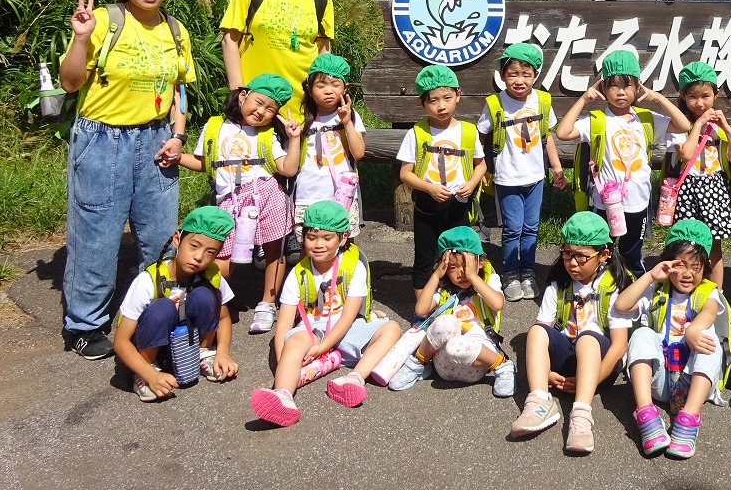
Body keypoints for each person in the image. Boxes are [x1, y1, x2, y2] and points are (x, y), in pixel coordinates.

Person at [59, 0, 196, 360]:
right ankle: (85, 324)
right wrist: (81, 39)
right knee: (96, 237)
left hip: (156, 140)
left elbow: (179, 88)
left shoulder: (175, 29)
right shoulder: (103, 21)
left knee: (159, 235)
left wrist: (179, 134)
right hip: (103, 141)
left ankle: (153, 316)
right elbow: (70, 82)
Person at [250, 201, 401, 427]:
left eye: (327, 238)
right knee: (290, 342)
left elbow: (350, 315)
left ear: (343, 238)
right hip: (313, 328)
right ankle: (283, 394)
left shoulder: (353, 267)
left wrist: (322, 348)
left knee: (392, 329)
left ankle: (354, 378)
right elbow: (283, 323)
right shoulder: (297, 273)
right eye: (311, 237)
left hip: (347, 328)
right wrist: (286, 361)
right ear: (303, 238)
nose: (318, 244)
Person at [178, 74, 301, 335]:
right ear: (244, 95)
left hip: (266, 193)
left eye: (270, 109)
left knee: (273, 250)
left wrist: (294, 138)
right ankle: (213, 300)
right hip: (228, 200)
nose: (262, 112)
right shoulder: (214, 126)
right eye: (259, 102)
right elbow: (203, 162)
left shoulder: (268, 135)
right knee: (222, 255)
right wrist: (177, 157)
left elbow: (288, 169)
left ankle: (267, 304)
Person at [556, 50, 690, 276]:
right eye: (613, 86)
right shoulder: (597, 120)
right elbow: (563, 132)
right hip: (604, 201)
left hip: (637, 200)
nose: (621, 92)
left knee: (631, 252)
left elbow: (684, 125)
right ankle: (599, 293)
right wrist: (583, 99)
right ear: (603, 89)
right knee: (600, 248)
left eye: (627, 85)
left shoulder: (646, 118)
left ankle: (633, 292)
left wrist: (658, 98)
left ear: (638, 87)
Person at [510, 212, 632, 455]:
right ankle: (539, 401)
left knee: (587, 338)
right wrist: (547, 374)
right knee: (535, 331)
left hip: (599, 365)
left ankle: (581, 416)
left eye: (581, 256)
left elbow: (619, 346)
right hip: (564, 362)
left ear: (603, 255)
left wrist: (593, 379)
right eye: (567, 254)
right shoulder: (558, 284)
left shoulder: (614, 286)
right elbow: (543, 334)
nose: (572, 263)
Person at [613, 220, 731, 459]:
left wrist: (692, 331)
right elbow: (621, 305)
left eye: (696, 267)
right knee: (641, 334)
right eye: (681, 265)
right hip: (660, 381)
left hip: (692, 382)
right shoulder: (658, 287)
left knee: (707, 337)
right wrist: (649, 276)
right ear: (668, 263)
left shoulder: (709, 292)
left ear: (705, 267)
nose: (688, 274)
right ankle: (646, 413)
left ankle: (689, 418)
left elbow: (709, 313)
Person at [113, 206, 238, 402]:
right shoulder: (148, 280)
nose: (199, 257)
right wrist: (150, 374)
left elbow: (223, 317)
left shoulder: (212, 275)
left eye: (210, 252)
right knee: (163, 308)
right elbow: (121, 341)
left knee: (206, 296)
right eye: (194, 246)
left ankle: (203, 353)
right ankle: (147, 370)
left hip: (188, 342)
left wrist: (223, 352)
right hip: (149, 349)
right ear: (177, 239)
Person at [477, 43, 564, 302]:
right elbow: (481, 135)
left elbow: (547, 137)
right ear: (502, 76)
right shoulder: (495, 104)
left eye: (526, 75)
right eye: (513, 74)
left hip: (536, 176)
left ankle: (528, 272)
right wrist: (480, 167)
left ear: (535, 76)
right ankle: (510, 274)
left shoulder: (543, 101)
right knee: (513, 228)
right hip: (507, 176)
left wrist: (557, 167)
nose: (519, 80)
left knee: (531, 228)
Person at [220, 0, 335, 114]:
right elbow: (229, 40)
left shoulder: (321, 0)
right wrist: (237, 92)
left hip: (301, 107)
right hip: (255, 104)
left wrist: (321, 101)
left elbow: (323, 55)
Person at [389, 226, 513, 397]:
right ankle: (418, 363)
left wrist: (473, 276)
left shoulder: (488, 279)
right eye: (453, 268)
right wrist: (435, 276)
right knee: (445, 323)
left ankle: (503, 366)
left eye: (466, 266)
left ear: (481, 261)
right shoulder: (446, 289)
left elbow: (498, 303)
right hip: (444, 367)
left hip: (477, 362)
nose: (461, 273)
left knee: (456, 345)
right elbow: (421, 309)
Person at [396, 65, 487, 296]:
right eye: (433, 100)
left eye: (447, 98)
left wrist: (473, 182)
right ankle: (422, 311)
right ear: (421, 103)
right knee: (425, 257)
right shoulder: (416, 133)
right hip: (427, 205)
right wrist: (429, 188)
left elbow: (481, 164)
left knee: (460, 254)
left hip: (459, 203)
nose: (441, 106)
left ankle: (459, 302)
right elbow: (405, 173)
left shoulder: (468, 131)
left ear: (458, 95)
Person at [664, 62, 731, 287]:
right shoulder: (678, 125)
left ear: (716, 94)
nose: (699, 103)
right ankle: (684, 290)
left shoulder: (719, 126)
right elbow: (687, 154)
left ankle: (715, 292)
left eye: (706, 96)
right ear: (683, 95)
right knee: (685, 244)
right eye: (693, 97)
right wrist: (698, 124)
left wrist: (727, 129)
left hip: (713, 187)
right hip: (688, 188)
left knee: (714, 245)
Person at [294, 53, 365, 230]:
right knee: (309, 245)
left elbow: (358, 153)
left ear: (345, 88)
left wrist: (347, 122)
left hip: (344, 194)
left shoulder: (351, 117)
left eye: (335, 85)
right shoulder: (302, 120)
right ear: (309, 89)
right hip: (307, 194)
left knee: (345, 243)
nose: (328, 90)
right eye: (321, 85)